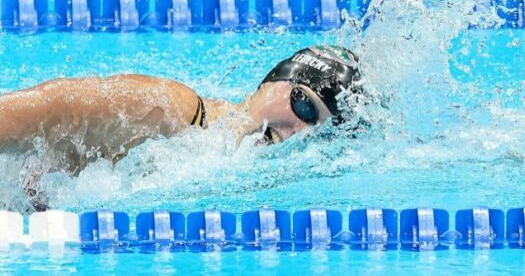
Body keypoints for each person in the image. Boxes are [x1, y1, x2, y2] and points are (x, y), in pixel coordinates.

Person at [0, 45, 360, 209]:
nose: (298, 130)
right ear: (272, 82)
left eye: (318, 131)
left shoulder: (233, 172)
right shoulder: (170, 108)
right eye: (303, 105)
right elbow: (47, 107)